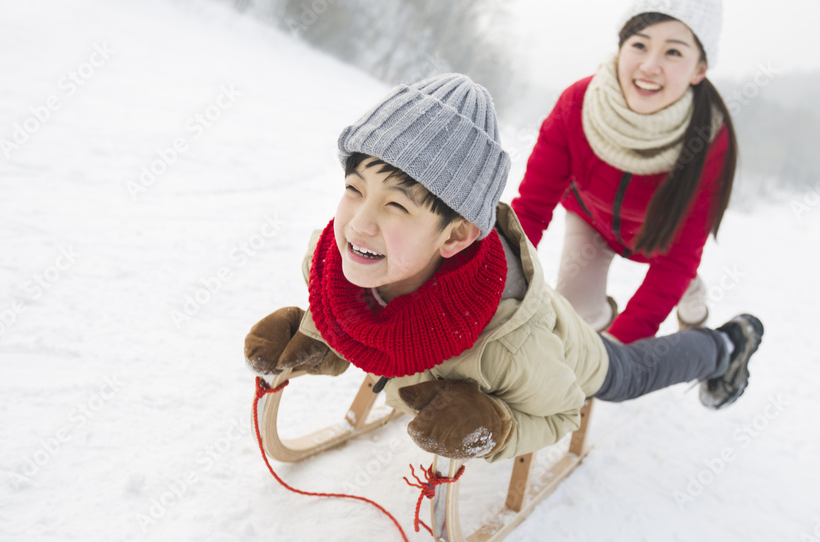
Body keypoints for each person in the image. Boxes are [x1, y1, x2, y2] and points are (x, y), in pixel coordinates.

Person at [243, 73, 762, 463]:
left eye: (395, 207)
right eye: (355, 189)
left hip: (561, 347)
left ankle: (724, 346)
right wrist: (317, 335)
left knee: (627, 372)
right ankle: (600, 309)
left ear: (457, 235)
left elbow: (562, 412)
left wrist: (498, 425)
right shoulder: (332, 259)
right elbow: (350, 306)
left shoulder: (506, 349)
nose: (358, 224)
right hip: (512, 321)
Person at [511, 0, 737, 344]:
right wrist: (486, 289)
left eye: (674, 52)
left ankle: (693, 309)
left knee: (684, 285)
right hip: (593, 224)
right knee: (573, 319)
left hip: (661, 244)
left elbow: (678, 260)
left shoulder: (709, 142)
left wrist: (618, 350)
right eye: (639, 44)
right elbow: (530, 212)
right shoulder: (578, 104)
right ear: (620, 48)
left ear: (700, 69)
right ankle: (597, 322)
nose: (649, 66)